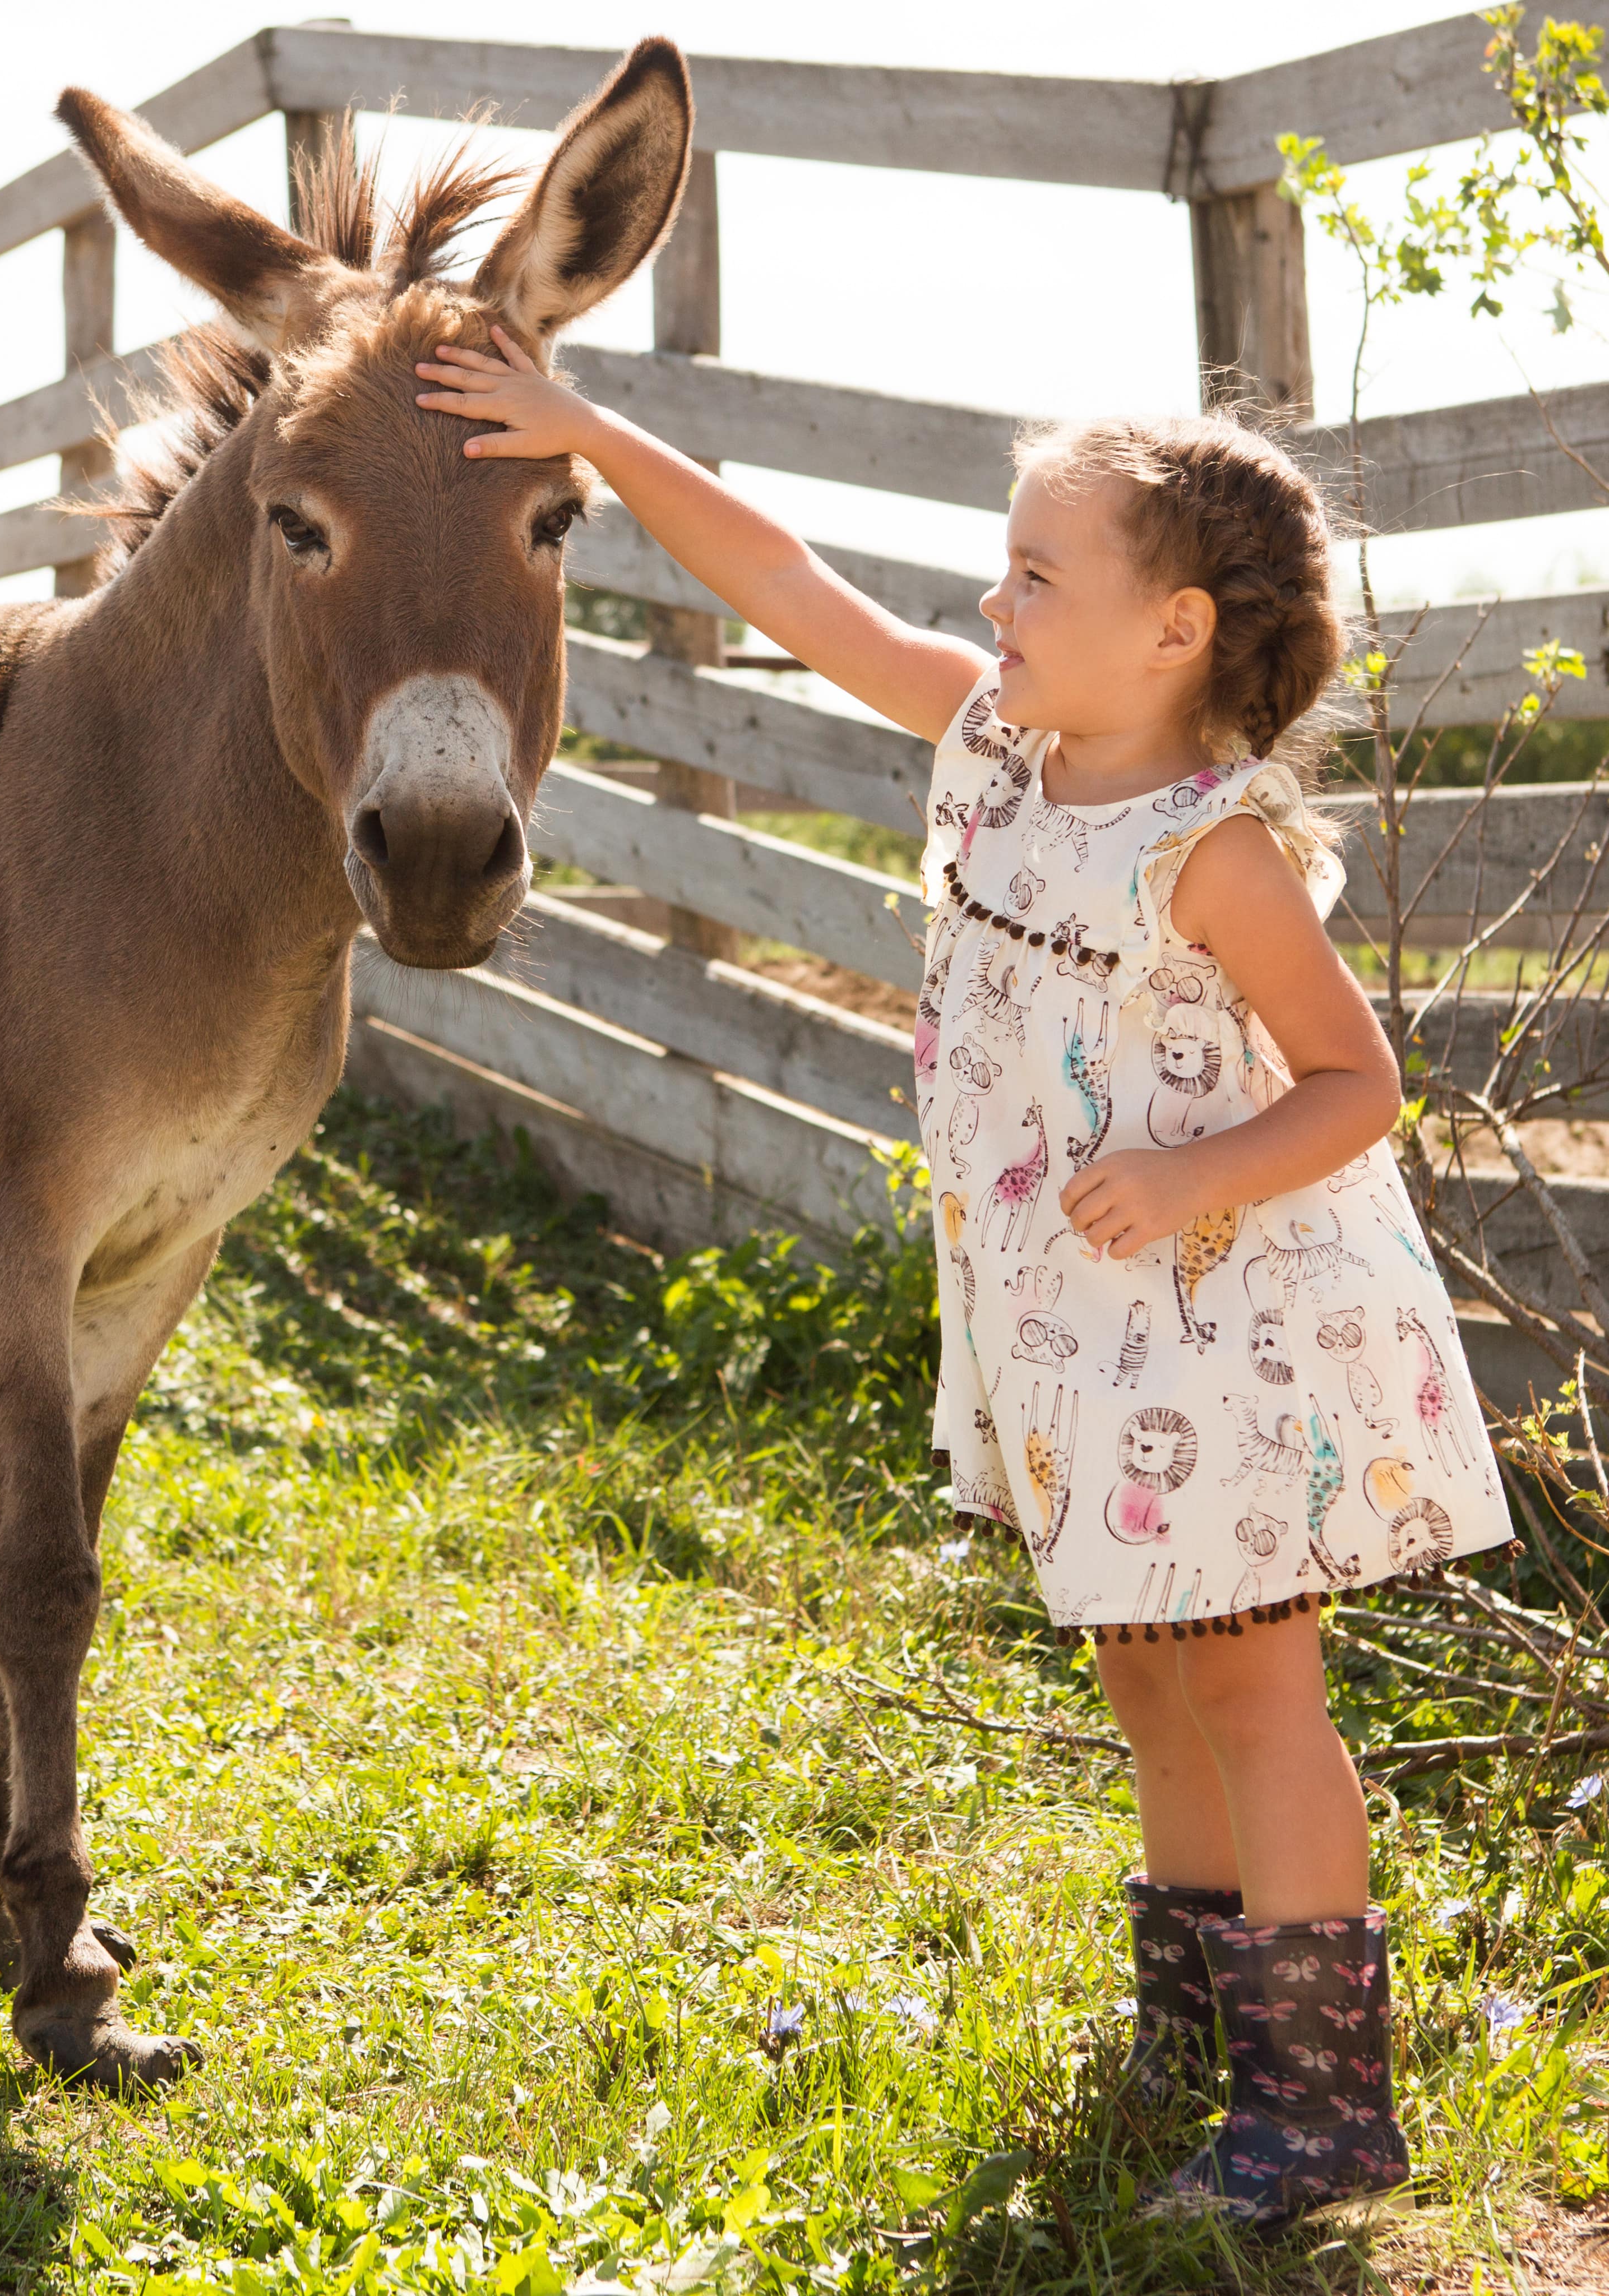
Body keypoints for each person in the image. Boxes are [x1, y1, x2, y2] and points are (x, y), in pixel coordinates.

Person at [415, 327, 1514, 2225]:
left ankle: (1323, 2113)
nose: (989, 604)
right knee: (1144, 1672)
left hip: (1228, 1322)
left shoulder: (1213, 852)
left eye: (1033, 576)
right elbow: (784, 580)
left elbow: (1358, 1086)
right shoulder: (991, 754)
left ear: (1173, 631)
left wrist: (1185, 1176)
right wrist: (597, 432)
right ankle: (1195, 2035)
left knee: (1257, 1689)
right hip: (1075, 1328)